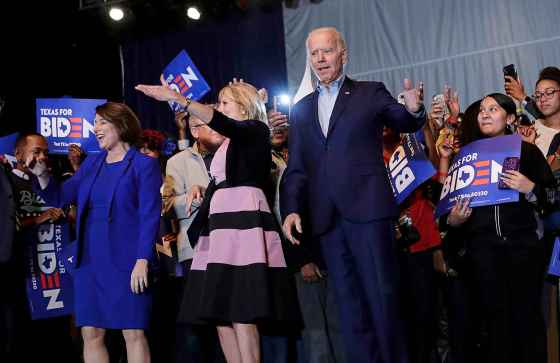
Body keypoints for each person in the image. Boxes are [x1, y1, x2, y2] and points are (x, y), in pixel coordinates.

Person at [280, 27, 425, 363]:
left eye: (326, 51)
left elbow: (403, 119)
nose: (320, 59)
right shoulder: (301, 109)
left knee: (383, 300)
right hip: (327, 221)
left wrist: (414, 109)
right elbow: (297, 167)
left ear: (342, 53)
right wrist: (290, 208)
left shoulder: (370, 93)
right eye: (314, 53)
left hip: (369, 213)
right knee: (349, 310)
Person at [135, 80, 296, 363]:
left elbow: (226, 125)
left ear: (244, 107)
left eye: (224, 103)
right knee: (220, 313)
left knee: (243, 311)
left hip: (243, 222)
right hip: (220, 225)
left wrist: (177, 97)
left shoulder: (256, 131)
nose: (218, 108)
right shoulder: (228, 142)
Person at [444, 93, 555, 363]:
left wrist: (530, 189)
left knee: (528, 321)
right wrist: (453, 221)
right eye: (482, 109)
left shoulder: (527, 151)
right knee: (495, 326)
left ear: (511, 118)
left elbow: (553, 196)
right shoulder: (465, 157)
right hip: (482, 255)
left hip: (524, 250)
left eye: (493, 109)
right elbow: (445, 212)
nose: (485, 113)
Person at [56, 102, 162, 363]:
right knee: (91, 333)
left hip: (128, 262)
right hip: (90, 261)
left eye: (102, 122)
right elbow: (62, 195)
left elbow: (149, 216)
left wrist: (142, 260)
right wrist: (42, 177)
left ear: (121, 124)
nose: (96, 128)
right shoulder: (93, 163)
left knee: (133, 333)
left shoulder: (143, 165)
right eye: (95, 122)